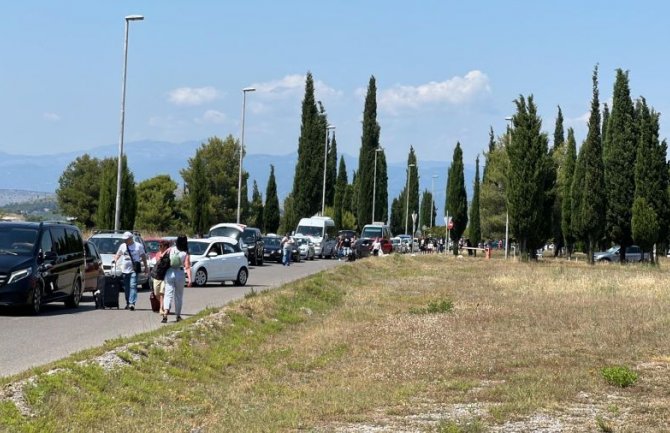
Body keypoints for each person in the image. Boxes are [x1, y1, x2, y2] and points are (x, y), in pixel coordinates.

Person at [113, 231, 148, 311]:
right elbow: (118, 254)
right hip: (125, 270)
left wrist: (146, 267)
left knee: (133, 285)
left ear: (131, 238)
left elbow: (143, 256)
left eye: (126, 239)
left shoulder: (138, 246)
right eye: (124, 239)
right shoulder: (122, 246)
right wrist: (115, 259)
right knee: (126, 287)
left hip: (134, 269)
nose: (125, 241)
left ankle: (132, 303)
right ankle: (128, 303)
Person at [162, 235, 192, 323]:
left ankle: (165, 313)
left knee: (168, 294)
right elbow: (187, 266)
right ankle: (178, 315)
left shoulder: (170, 249)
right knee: (178, 296)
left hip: (169, 272)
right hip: (179, 273)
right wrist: (189, 279)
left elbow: (162, 257)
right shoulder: (185, 253)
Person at [152, 240, 170, 315]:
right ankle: (165, 304)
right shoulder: (158, 254)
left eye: (161, 246)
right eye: (159, 246)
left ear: (165, 247)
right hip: (157, 276)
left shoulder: (169, 254)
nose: (159, 247)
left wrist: (166, 253)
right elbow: (159, 263)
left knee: (162, 292)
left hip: (165, 276)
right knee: (156, 293)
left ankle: (161, 308)